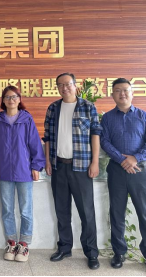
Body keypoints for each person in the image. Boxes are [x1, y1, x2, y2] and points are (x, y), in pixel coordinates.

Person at [100, 78, 146, 276]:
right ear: (112, 94)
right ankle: (119, 253)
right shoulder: (107, 118)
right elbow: (104, 141)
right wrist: (122, 160)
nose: (122, 94)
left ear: (132, 92)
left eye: (126, 90)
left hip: (140, 172)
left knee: (145, 214)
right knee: (117, 214)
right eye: (118, 90)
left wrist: (135, 158)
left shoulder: (144, 116)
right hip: (117, 171)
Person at [43, 73, 102, 270]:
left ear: (75, 85)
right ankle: (65, 247)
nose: (64, 88)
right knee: (62, 210)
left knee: (87, 212)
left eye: (68, 84)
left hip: (82, 167)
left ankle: (91, 252)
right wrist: (48, 161)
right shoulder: (53, 108)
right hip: (58, 166)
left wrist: (95, 162)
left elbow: (95, 134)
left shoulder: (88, 107)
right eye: (60, 85)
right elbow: (47, 137)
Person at [0, 85, 46, 263]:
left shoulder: (26, 119)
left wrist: (36, 166)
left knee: (25, 210)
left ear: (19, 99)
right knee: (7, 210)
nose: (11, 100)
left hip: (24, 170)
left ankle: (24, 244)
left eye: (14, 96)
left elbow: (35, 144)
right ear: (3, 100)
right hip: (4, 170)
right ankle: (11, 242)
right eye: (7, 97)